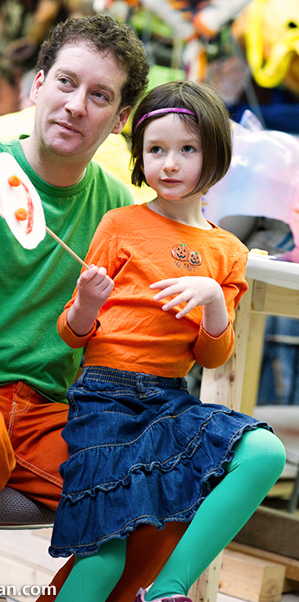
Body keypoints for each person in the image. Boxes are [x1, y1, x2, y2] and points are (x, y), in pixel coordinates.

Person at [0, 14, 187, 602]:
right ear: (36, 85)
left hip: (49, 416)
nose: (76, 105)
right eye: (65, 82)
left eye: (100, 95)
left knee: (173, 473)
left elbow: (168, 283)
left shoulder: (118, 213)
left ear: (119, 120)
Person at [50, 80, 286, 601]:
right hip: (104, 402)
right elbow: (71, 333)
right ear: (140, 156)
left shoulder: (228, 251)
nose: (170, 164)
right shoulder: (120, 225)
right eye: (156, 149)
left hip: (170, 399)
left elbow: (214, 355)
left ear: (215, 156)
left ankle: (167, 591)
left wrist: (214, 303)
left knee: (265, 451)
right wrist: (87, 305)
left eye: (187, 149)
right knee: (101, 562)